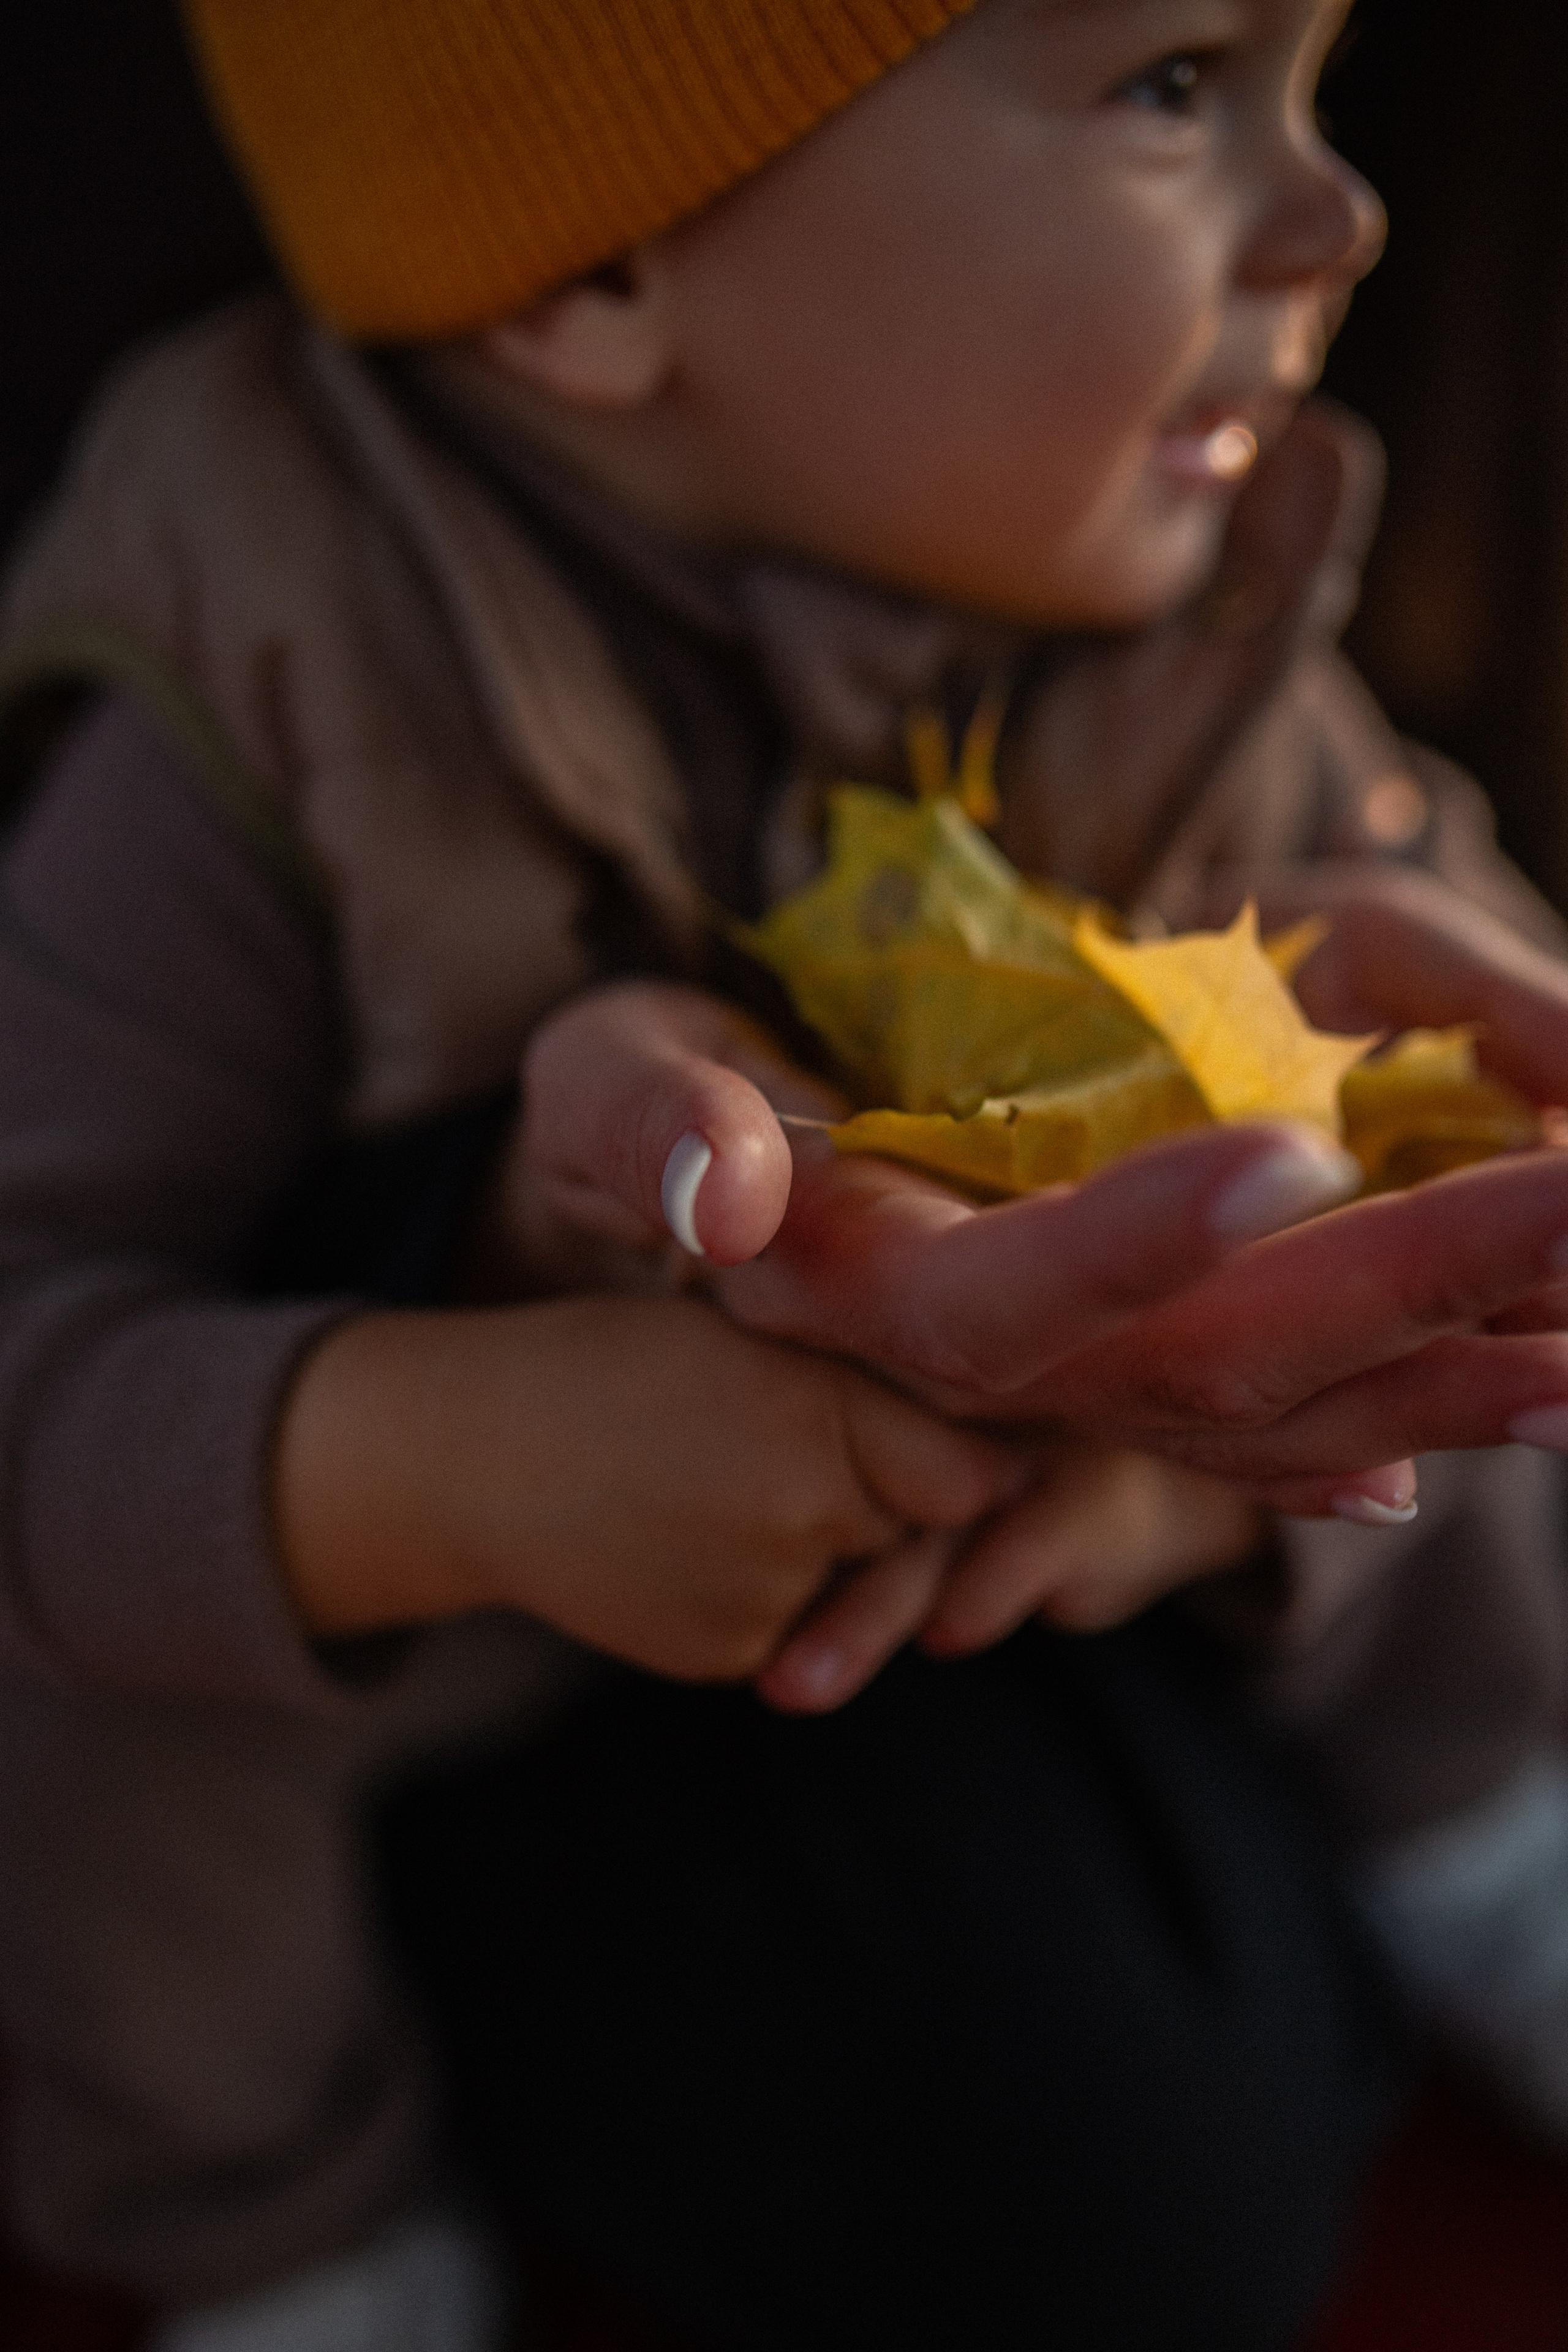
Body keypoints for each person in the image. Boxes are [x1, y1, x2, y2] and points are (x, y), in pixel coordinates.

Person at [1, 0, 1566, 2344]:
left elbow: (1435, 1013)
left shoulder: (1154, 575)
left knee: (1162, 2186)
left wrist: (1180, 1493)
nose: (1338, 215)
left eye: (1314, 84)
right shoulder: (268, 663)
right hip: (414, 1712)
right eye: (1172, 86)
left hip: (958, 1600)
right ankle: (273, 2226)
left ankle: (1483, 1815)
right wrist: (461, 1459)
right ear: (598, 274)